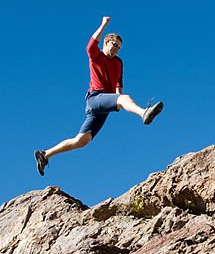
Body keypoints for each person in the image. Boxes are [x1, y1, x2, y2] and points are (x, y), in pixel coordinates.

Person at [35, 16, 163, 175]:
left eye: (119, 47)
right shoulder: (96, 56)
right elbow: (90, 45)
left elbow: (118, 82)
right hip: (95, 98)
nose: (116, 48)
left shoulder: (118, 62)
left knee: (81, 141)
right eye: (114, 44)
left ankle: (45, 154)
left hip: (104, 106)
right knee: (125, 99)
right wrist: (104, 24)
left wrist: (119, 98)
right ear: (106, 43)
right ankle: (144, 113)